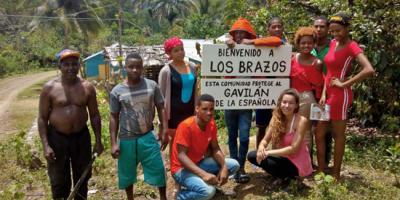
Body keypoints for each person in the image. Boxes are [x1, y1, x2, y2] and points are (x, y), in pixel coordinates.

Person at [315, 12, 375, 179]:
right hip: (327, 95)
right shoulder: (333, 43)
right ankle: (320, 170)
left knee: (338, 135)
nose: (335, 34)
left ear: (347, 28)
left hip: (340, 97)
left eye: (338, 30)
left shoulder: (351, 46)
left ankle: (335, 174)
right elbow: (329, 72)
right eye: (332, 31)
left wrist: (345, 84)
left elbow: (369, 69)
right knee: (319, 133)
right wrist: (324, 94)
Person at [38, 49, 104, 200]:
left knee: (83, 177)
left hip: (81, 137)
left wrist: (98, 140)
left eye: (74, 64)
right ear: (60, 67)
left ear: (79, 66)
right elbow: (42, 118)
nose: (70, 68)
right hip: (57, 138)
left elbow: (94, 115)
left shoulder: (87, 87)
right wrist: (46, 145)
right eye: (66, 64)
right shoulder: (49, 88)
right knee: (59, 179)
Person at [109, 53, 169, 200]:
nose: (135, 70)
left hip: (147, 135)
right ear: (125, 68)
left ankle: (163, 197)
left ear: (142, 68)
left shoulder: (151, 86)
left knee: (158, 169)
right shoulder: (117, 91)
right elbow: (114, 116)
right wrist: (113, 143)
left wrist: (164, 130)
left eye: (138, 67)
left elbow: (161, 107)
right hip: (126, 138)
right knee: (127, 173)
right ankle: (130, 197)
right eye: (131, 67)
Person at [170, 94, 240, 200]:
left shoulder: (211, 124)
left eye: (212, 109)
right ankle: (180, 196)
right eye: (205, 109)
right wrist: (203, 175)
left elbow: (215, 148)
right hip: (180, 169)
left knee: (234, 165)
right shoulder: (186, 126)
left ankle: (207, 185)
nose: (209, 112)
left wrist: (224, 167)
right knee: (208, 192)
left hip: (198, 163)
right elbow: (181, 156)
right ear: (197, 109)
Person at [247, 89, 313, 182]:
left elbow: (293, 149)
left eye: (291, 103)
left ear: (296, 105)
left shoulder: (301, 121)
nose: (286, 106)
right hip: (282, 158)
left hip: (297, 162)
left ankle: (293, 178)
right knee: (252, 155)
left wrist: (268, 153)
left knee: (265, 158)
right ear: (280, 103)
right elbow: (265, 140)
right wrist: (261, 147)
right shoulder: (275, 118)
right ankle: (283, 177)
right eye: (284, 102)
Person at [224, 17, 257, 183]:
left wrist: (250, 43)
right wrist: (228, 45)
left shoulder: (256, 48)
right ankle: (234, 168)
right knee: (231, 136)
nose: (238, 35)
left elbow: (275, 41)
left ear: (248, 34)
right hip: (229, 101)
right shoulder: (227, 46)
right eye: (236, 33)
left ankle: (241, 165)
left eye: (242, 32)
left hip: (246, 103)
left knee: (244, 137)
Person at [158, 36, 197, 163]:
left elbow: (195, 90)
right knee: (175, 146)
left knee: (189, 144)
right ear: (169, 53)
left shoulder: (192, 67)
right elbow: (161, 98)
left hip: (190, 113)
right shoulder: (166, 71)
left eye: (181, 49)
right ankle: (177, 178)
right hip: (173, 115)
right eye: (176, 50)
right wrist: (162, 123)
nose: (180, 52)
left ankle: (189, 174)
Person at [290, 26, 324, 153]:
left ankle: (306, 163)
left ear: (314, 44)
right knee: (290, 128)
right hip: (291, 97)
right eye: (303, 43)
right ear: (298, 44)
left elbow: (319, 88)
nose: (306, 46)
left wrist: (320, 113)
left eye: (310, 43)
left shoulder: (317, 63)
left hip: (307, 98)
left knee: (305, 130)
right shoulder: (292, 59)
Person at [311, 16, 333, 166]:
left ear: (328, 28)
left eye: (322, 27)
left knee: (323, 129)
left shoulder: (333, 46)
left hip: (325, 94)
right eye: (316, 26)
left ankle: (324, 162)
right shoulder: (308, 44)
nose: (318, 29)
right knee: (308, 129)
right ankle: (308, 162)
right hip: (309, 92)